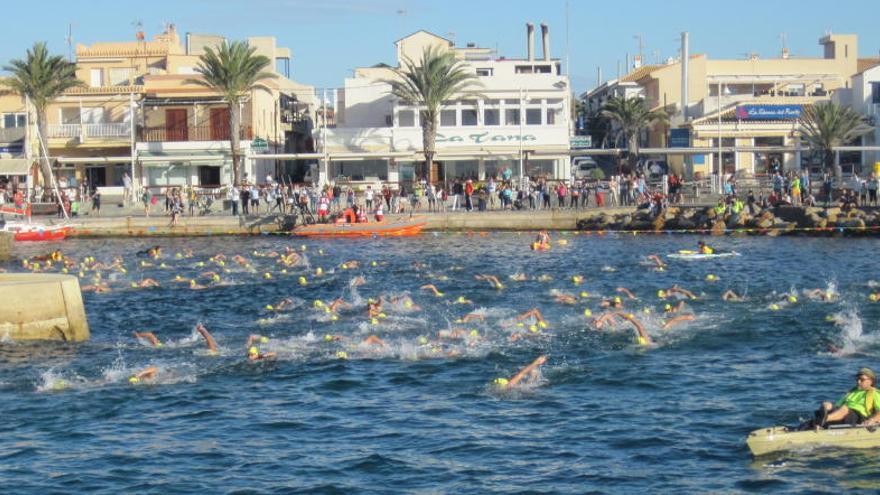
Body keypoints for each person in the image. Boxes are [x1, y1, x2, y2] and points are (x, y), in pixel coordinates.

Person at [801, 368, 880, 429]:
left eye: (862, 380)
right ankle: (798, 428)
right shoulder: (852, 392)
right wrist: (829, 408)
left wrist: (872, 420)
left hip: (858, 417)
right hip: (843, 415)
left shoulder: (874, 393)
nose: (858, 382)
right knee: (826, 404)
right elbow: (837, 406)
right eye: (857, 379)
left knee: (844, 409)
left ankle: (822, 421)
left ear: (871, 381)